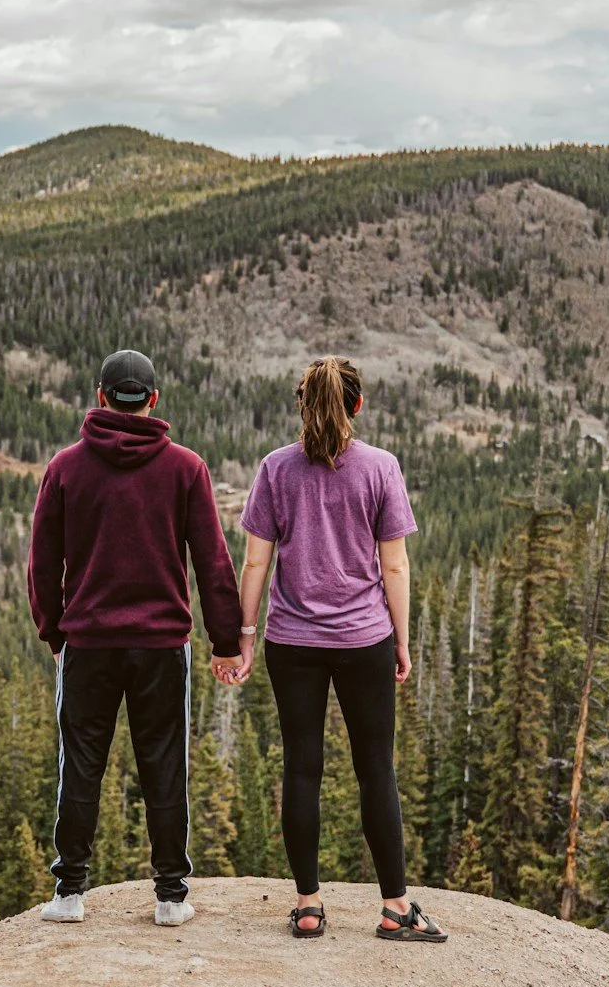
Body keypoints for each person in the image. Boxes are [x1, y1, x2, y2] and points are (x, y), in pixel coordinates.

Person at [232, 357, 445, 942]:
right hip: (364, 639)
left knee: (302, 768)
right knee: (375, 768)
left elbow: (256, 561)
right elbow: (394, 564)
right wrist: (400, 640)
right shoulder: (380, 468)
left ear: (303, 405)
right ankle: (396, 909)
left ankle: (307, 906)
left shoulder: (277, 469)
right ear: (357, 405)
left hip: (291, 642)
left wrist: (243, 637)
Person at [29, 348, 244, 927]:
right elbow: (212, 561)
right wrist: (227, 641)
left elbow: (43, 563)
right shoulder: (185, 468)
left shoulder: (66, 468)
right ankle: (171, 898)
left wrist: (54, 629)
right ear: (153, 400)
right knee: (164, 766)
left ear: (100, 396)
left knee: (81, 766)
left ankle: (69, 893)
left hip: (89, 644)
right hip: (162, 647)